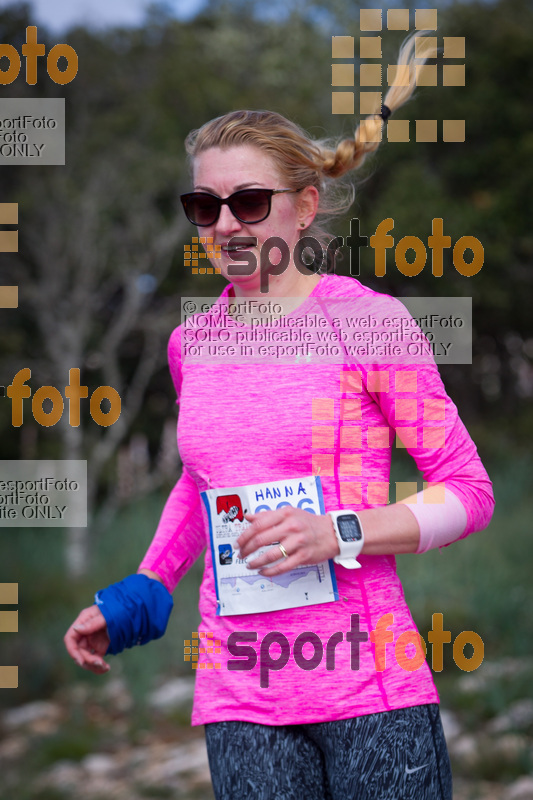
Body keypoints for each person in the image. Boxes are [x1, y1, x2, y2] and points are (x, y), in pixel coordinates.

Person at [64, 32, 494, 800]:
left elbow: (468, 491)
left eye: (248, 203)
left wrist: (342, 531)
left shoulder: (366, 322)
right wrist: (139, 591)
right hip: (239, 697)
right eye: (204, 206)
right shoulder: (190, 342)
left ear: (302, 207)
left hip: (370, 693)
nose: (225, 225)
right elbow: (201, 485)